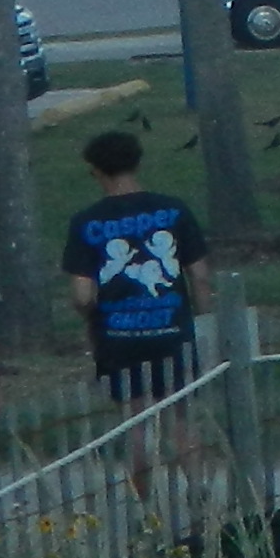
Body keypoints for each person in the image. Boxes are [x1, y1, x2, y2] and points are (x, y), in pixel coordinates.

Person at [62, 127, 207, 480]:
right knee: (181, 415)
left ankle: (144, 508)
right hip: (172, 330)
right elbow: (200, 275)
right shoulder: (174, 210)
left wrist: (90, 320)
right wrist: (201, 318)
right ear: (137, 163)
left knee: (134, 421)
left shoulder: (86, 223)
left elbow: (82, 294)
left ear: (96, 170)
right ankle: (198, 492)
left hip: (118, 339)